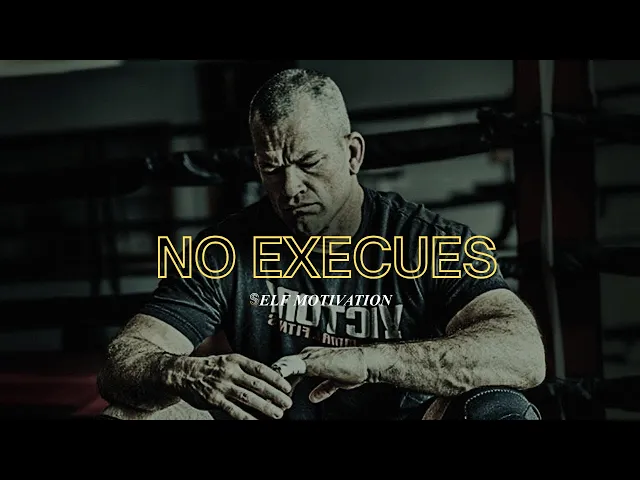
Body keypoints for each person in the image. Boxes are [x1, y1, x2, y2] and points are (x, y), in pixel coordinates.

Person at [97, 68, 546, 420]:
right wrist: (183, 371)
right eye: (272, 168)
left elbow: (523, 353)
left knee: (497, 410)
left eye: (309, 162)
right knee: (129, 415)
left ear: (352, 154)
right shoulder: (222, 250)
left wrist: (371, 361)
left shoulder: (426, 240)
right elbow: (122, 362)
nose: (291, 188)